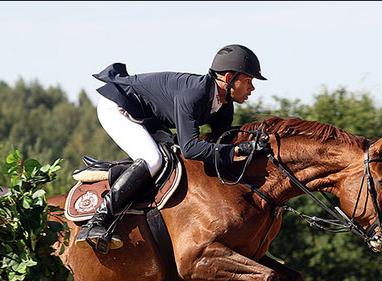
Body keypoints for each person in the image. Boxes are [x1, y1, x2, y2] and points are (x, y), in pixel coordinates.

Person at [77, 44, 270, 253]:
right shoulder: (194, 94)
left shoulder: (224, 106)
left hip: (148, 115)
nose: (252, 88)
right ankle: (96, 222)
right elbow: (190, 148)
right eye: (249, 81)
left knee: (169, 155)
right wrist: (239, 151)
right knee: (153, 159)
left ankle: (122, 174)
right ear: (229, 77)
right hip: (118, 106)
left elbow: (220, 146)